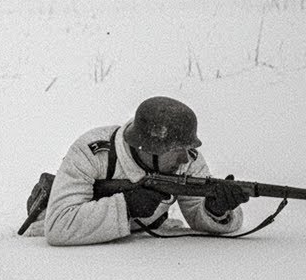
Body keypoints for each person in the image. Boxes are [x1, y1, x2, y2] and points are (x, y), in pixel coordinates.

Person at [40, 96, 248, 246]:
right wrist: (126, 206)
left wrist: (215, 210)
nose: (185, 158)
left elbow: (196, 213)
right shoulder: (92, 152)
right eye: (176, 150)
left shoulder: (187, 160)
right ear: (149, 148)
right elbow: (58, 226)